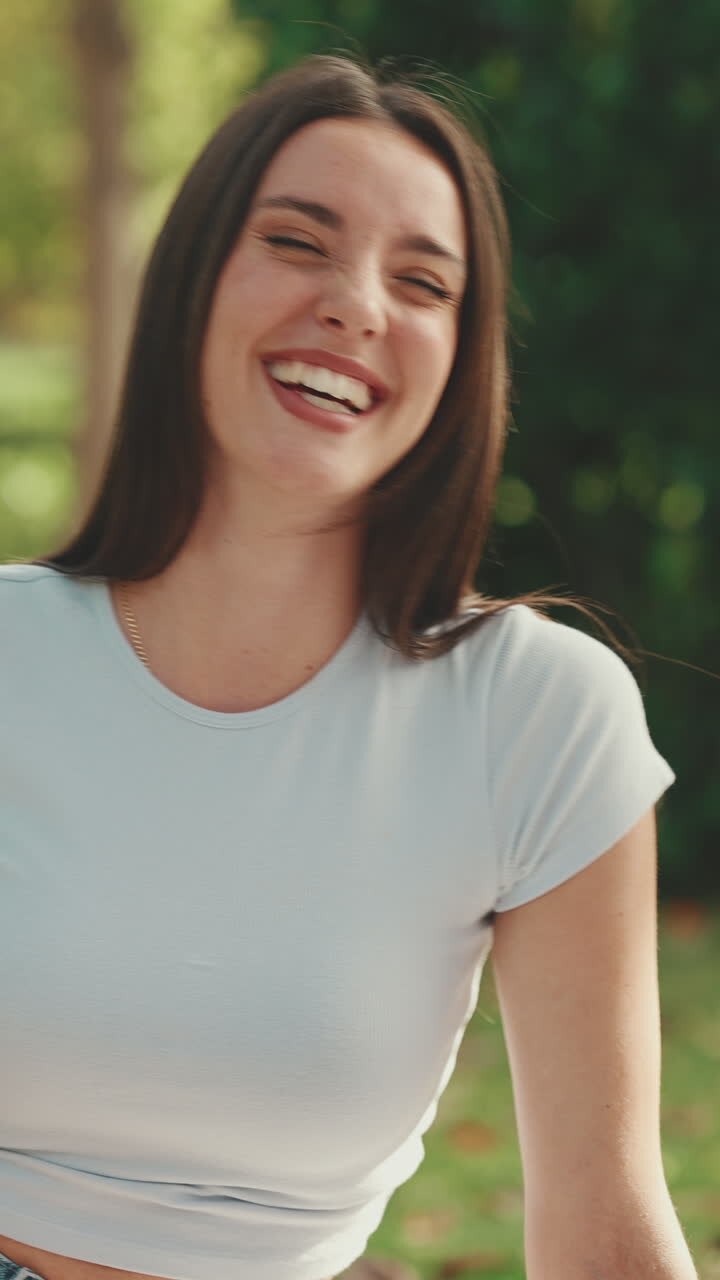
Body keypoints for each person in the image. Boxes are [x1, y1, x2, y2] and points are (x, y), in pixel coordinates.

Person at [0, 53, 697, 1280]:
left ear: (462, 357)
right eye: (297, 240)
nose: (358, 303)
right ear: (191, 279)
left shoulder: (539, 716)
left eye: (423, 280)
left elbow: (605, 1227)